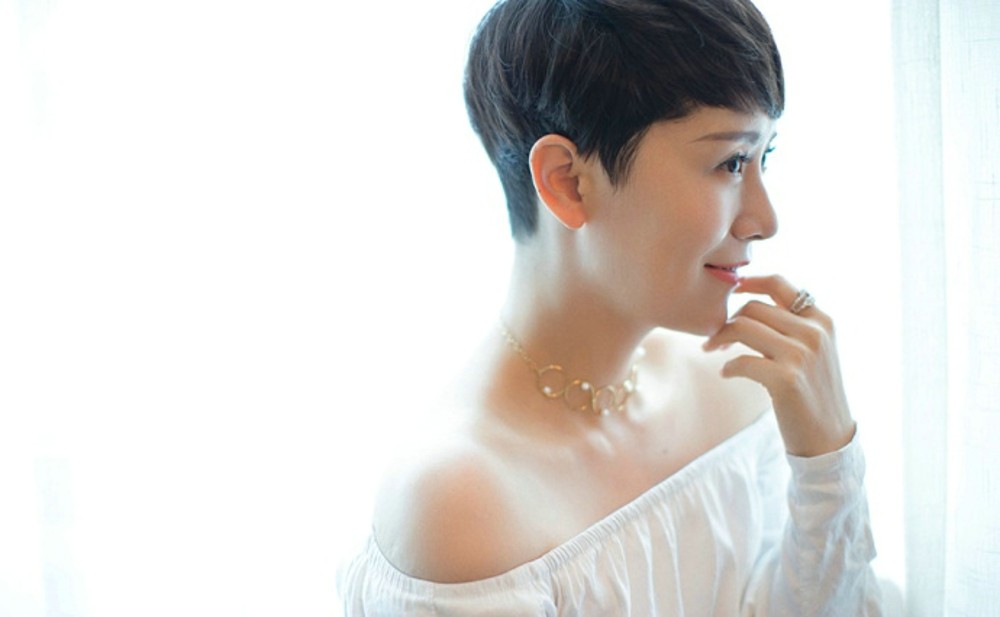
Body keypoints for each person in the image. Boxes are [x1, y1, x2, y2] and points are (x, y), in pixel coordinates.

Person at [340, 0, 885, 614]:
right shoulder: (461, 504)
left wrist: (827, 460)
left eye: (765, 158)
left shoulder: (731, 384)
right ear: (567, 181)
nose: (765, 219)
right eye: (731, 162)